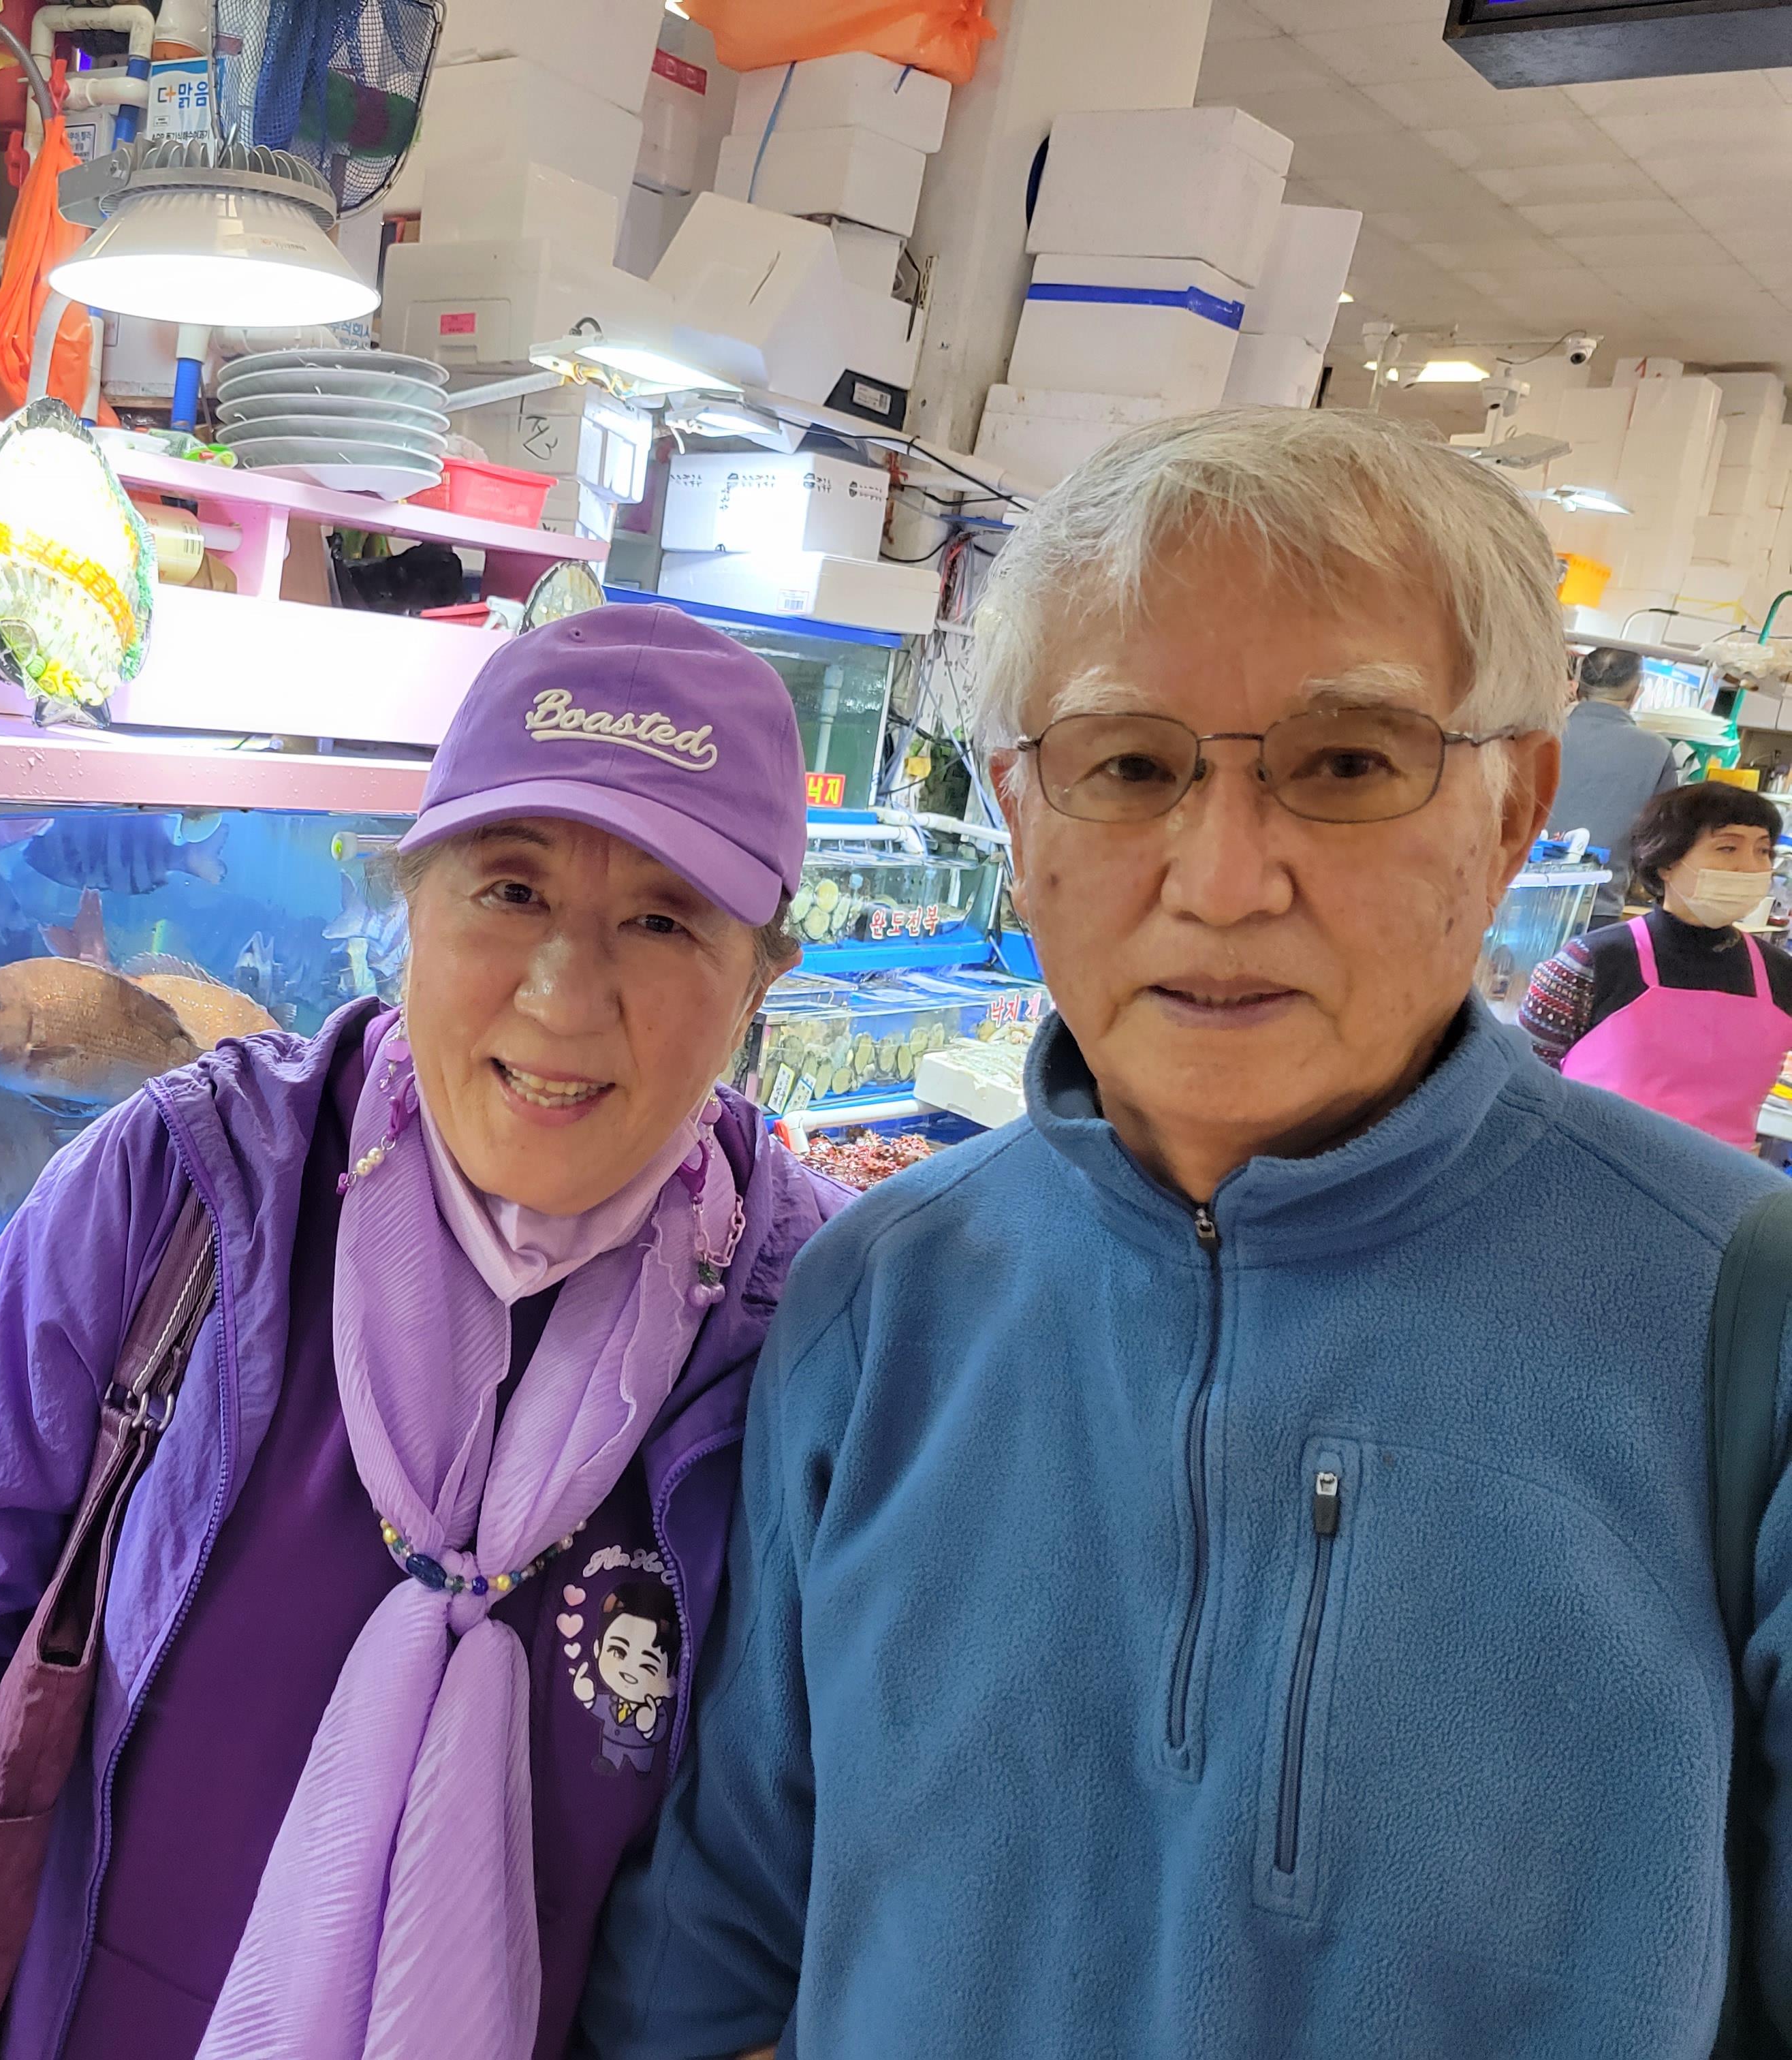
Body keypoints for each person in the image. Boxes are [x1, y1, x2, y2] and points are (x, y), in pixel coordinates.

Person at [580, 409, 1792, 2056]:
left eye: (1348, 762)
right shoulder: (883, 1295)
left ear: (1515, 810)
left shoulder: (1744, 1317)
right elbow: (723, 1926)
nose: (1223, 878)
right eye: (1131, 765)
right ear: (1020, 813)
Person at [0, 606, 843, 2060]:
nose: (562, 993)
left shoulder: (821, 1337)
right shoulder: (185, 1192)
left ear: (762, 977)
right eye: (511, 890)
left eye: (663, 920)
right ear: (413, 896)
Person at [1522, 781, 1792, 1148]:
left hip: (1723, 1192)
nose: (1750, 867)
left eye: (1763, 851)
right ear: (1666, 861)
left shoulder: (1780, 974)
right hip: (1586, 1178)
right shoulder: (1590, 964)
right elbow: (1519, 1090)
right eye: (1727, 848)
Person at [1549, 642, 1680, 924]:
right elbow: (1662, 836)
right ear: (1635, 695)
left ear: (1577, 688)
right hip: (1598, 907)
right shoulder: (1656, 751)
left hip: (1514, 895)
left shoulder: (1541, 733)